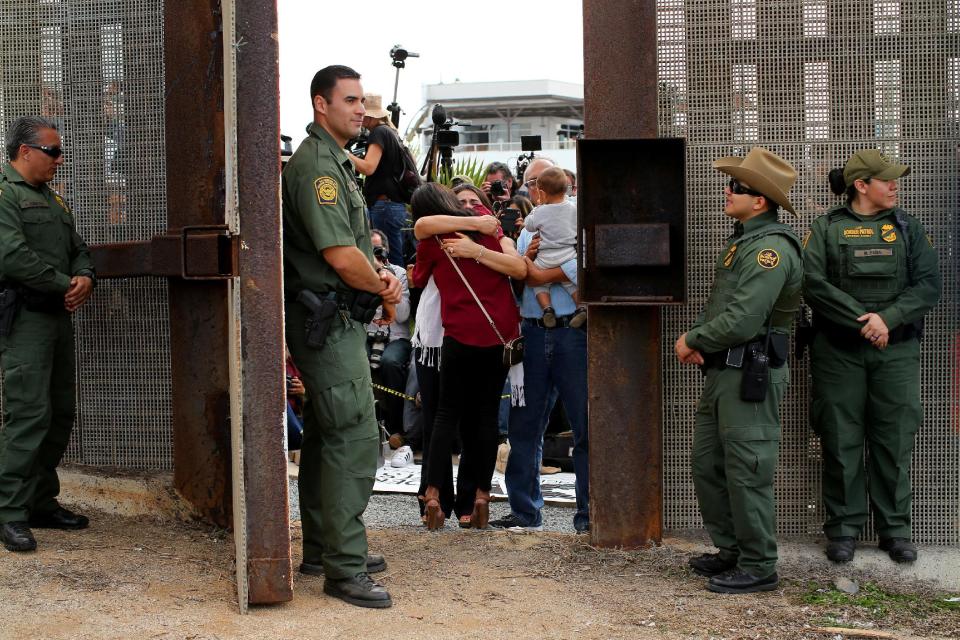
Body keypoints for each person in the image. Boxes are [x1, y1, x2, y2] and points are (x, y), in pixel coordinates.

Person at [282, 65, 402, 609]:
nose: (360, 110)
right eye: (350, 101)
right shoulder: (319, 170)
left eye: (362, 102)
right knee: (353, 434)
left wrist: (374, 284)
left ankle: (324, 547)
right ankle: (344, 568)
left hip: (337, 317)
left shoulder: (335, 163)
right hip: (327, 323)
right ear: (320, 105)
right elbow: (338, 254)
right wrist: (381, 284)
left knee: (328, 438)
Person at [803, 150, 941, 564]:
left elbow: (928, 285)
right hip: (838, 352)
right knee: (840, 437)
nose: (895, 185)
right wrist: (865, 322)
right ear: (861, 186)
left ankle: (895, 530)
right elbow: (812, 283)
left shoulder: (908, 228)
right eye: (887, 179)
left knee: (894, 437)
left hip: (895, 351)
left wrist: (887, 319)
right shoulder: (826, 229)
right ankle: (843, 529)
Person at [674, 147, 802, 594]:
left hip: (750, 374)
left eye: (737, 187)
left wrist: (693, 340)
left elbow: (745, 319)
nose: (727, 191)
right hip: (724, 372)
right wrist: (705, 346)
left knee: (747, 468)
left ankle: (759, 564)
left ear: (760, 201)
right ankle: (732, 551)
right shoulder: (744, 241)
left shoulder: (770, 250)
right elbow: (728, 309)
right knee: (709, 465)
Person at [0, 116, 96, 553]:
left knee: (60, 413)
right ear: (25, 151)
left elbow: (78, 247)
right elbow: (13, 257)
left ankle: (40, 499)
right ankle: (9, 512)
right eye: (53, 151)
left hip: (56, 318)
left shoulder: (52, 200)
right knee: (28, 415)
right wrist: (65, 284)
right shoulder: (5, 195)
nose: (60, 159)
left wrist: (85, 276)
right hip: (25, 319)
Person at [411, 183, 526, 530]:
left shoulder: (434, 240)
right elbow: (516, 268)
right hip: (497, 333)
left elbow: (418, 278)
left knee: (445, 414)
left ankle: (432, 494)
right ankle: (480, 496)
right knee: (486, 417)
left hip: (459, 333)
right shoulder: (488, 227)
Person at [489, 157, 590, 534]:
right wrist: (528, 267)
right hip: (532, 331)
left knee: (584, 427)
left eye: (535, 184)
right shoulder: (526, 230)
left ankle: (588, 516)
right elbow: (519, 277)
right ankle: (525, 512)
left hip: (573, 332)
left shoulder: (577, 219)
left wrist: (536, 271)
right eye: (527, 183)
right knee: (524, 426)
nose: (530, 190)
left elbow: (584, 266)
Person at [348, 94, 409, 267]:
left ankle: (397, 291)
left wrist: (345, 155)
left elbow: (368, 167)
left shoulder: (379, 132)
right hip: (393, 205)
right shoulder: (391, 132)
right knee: (395, 254)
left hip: (385, 205)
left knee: (387, 258)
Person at [522, 166, 585, 328]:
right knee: (572, 283)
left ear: (542, 194)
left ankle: (547, 309)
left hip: (545, 259)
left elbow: (528, 225)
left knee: (539, 284)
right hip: (569, 256)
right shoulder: (575, 209)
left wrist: (537, 208)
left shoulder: (540, 211)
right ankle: (581, 307)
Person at [367, 229, 411, 450]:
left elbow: (402, 315)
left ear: (387, 250)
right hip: (368, 335)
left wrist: (386, 279)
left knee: (390, 363)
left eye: (378, 249)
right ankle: (366, 427)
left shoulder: (399, 273)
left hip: (396, 337)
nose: (375, 255)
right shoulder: (360, 273)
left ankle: (396, 428)